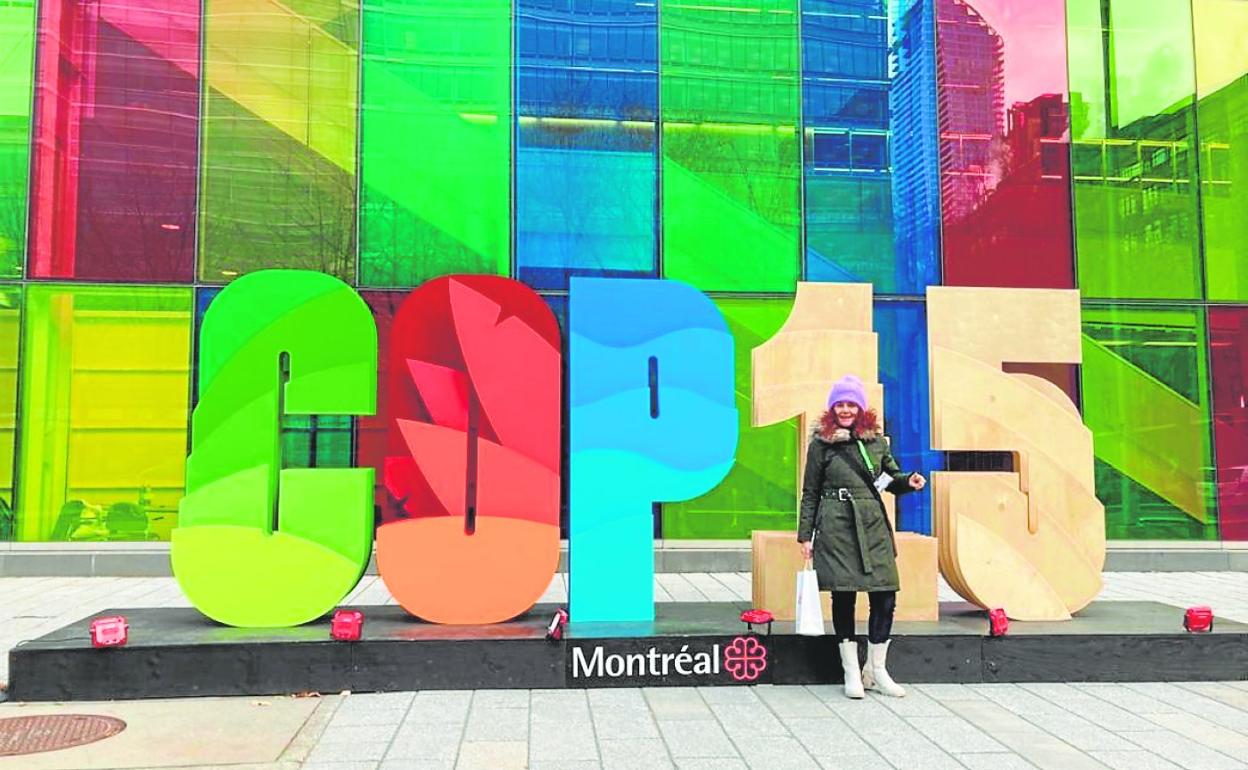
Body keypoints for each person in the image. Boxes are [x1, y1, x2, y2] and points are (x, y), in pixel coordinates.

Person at [797, 374, 926, 699]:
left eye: (850, 403)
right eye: (839, 403)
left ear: (860, 407)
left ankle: (877, 670)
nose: (844, 409)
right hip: (836, 524)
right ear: (832, 408)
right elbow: (810, 492)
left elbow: (888, 479)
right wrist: (805, 535)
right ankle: (852, 673)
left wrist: (907, 481)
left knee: (885, 594)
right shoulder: (820, 445)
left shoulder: (876, 443)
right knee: (844, 594)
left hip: (872, 524)